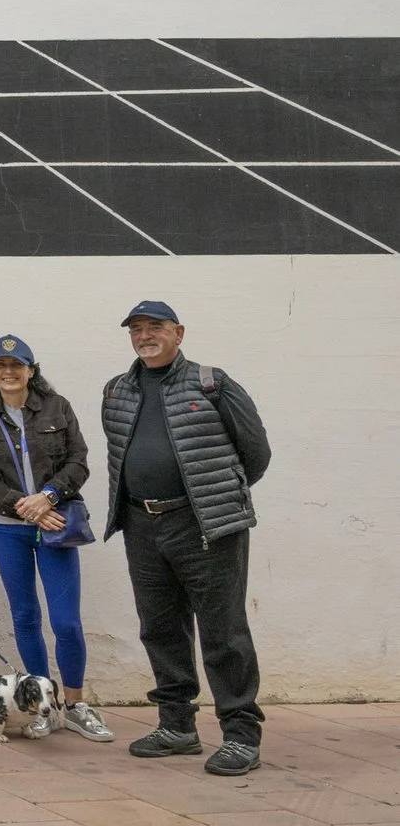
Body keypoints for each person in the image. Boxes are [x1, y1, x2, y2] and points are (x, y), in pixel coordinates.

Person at [103, 301, 270, 775]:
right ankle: (177, 727)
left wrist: (213, 498)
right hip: (141, 525)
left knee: (224, 631)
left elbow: (255, 453)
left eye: (154, 327)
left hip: (206, 525)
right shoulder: (117, 390)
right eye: (136, 329)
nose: (144, 335)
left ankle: (241, 735)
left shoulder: (212, 383)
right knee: (160, 628)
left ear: (178, 332)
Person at [0, 334, 109, 742]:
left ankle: (77, 703)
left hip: (55, 524)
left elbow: (78, 461)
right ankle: (41, 706)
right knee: (26, 618)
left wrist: (47, 498)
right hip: (7, 528)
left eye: (17, 366)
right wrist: (22, 505)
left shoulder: (57, 407)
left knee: (66, 621)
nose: (8, 372)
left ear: (32, 370)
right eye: (0, 366)